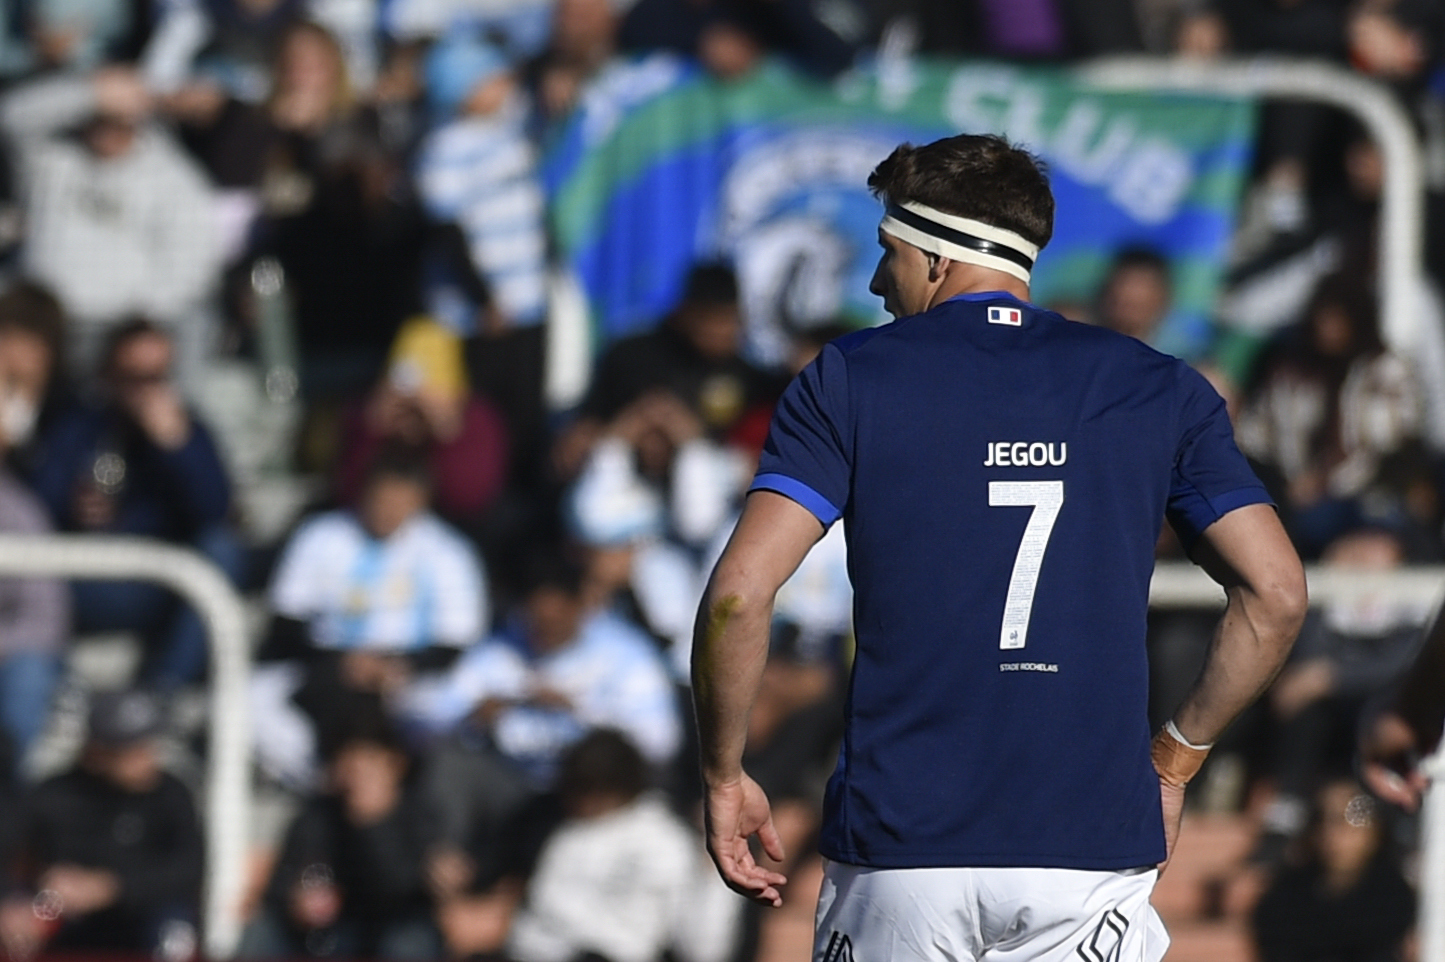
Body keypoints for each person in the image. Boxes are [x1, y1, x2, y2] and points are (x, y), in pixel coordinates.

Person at [691, 133, 1308, 960]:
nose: (877, 283)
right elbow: (1276, 594)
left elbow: (737, 593)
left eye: (888, 254)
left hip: (901, 848)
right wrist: (1172, 763)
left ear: (938, 258)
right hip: (1089, 847)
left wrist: (723, 776)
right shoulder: (1157, 385)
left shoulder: (849, 375)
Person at [26, 318, 245, 690]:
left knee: (222, 551)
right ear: (108, 375)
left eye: (157, 376)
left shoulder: (188, 431)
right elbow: (35, 507)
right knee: (32, 580)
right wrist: (73, 507)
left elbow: (216, 510)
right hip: (84, 577)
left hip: (159, 580)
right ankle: (57, 693)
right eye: (133, 377)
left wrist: (178, 448)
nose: (145, 390)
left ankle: (161, 696)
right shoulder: (79, 426)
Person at [0, 688, 203, 962]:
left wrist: (111, 887)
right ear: (98, 752)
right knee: (20, 929)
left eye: (149, 746)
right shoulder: (54, 794)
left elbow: (188, 868)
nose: (148, 759)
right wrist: (13, 902)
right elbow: (11, 850)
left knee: (173, 934)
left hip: (143, 910)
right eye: (133, 751)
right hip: (62, 910)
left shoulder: (170, 795)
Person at [0, 284, 69, 775]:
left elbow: (44, 614)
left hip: (9, 647)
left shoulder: (27, 502)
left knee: (28, 673)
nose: (10, 398)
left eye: (22, 383)